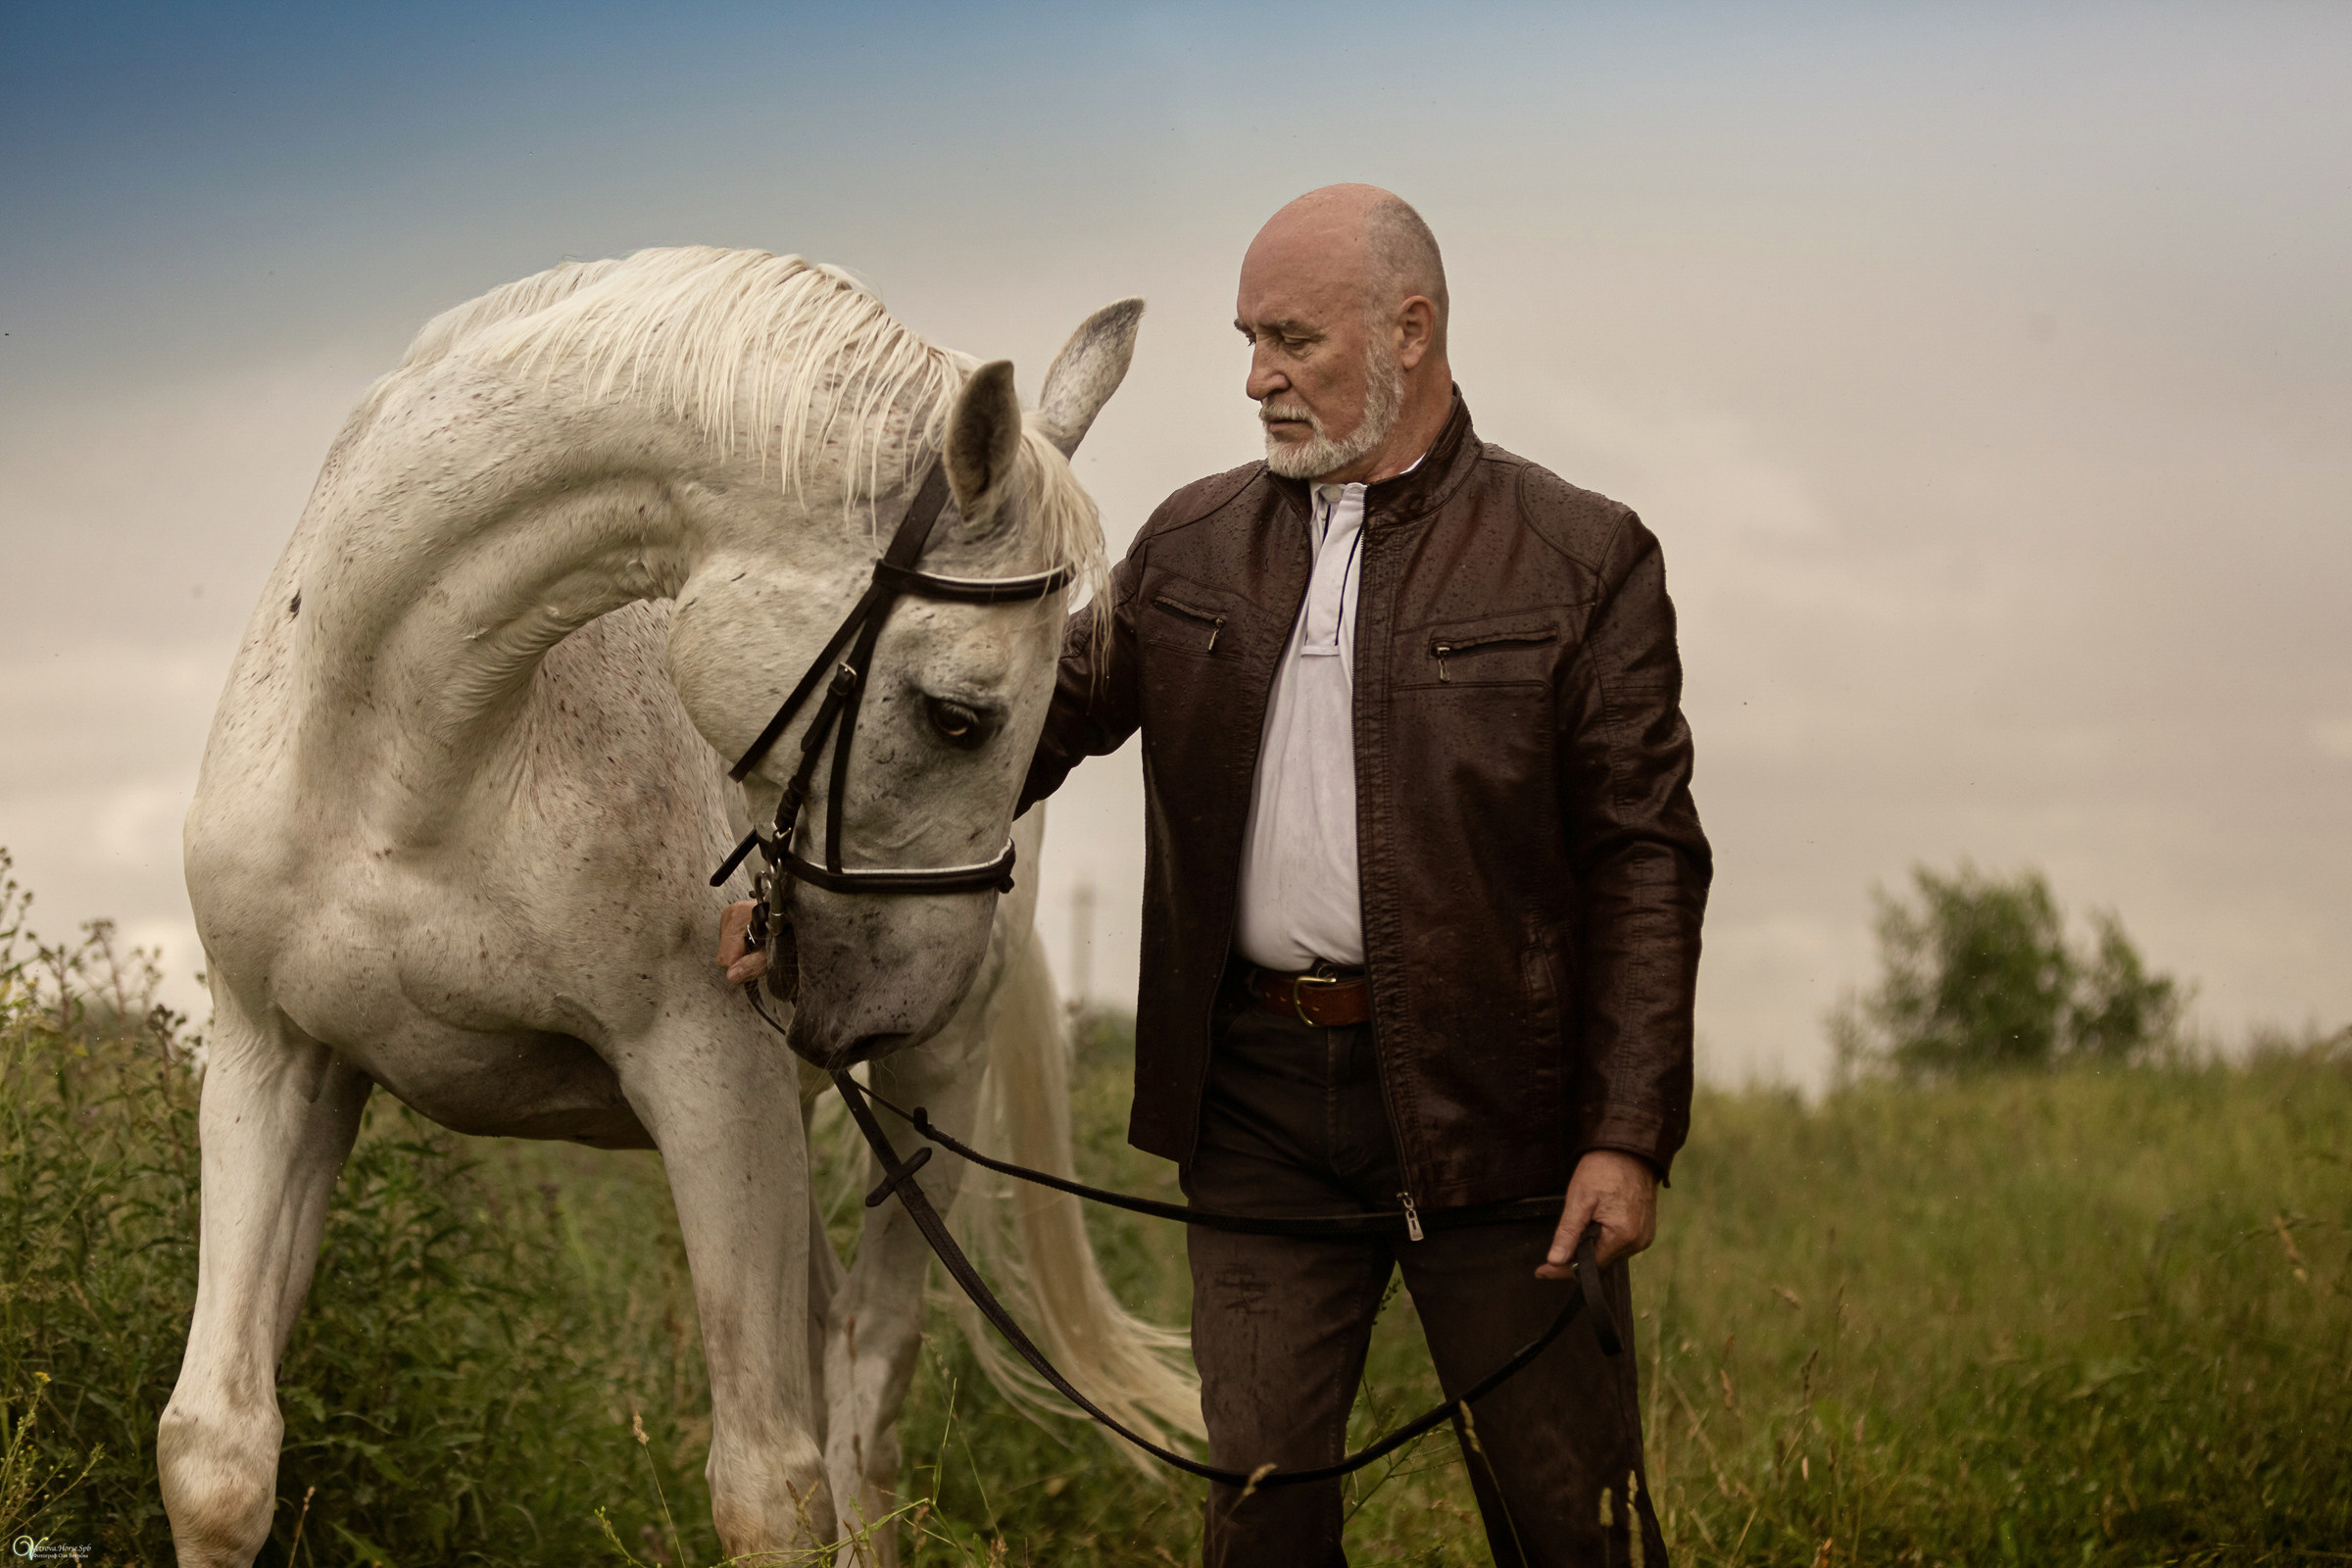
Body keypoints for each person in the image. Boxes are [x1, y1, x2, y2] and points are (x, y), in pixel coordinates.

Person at [724, 183, 1708, 1566]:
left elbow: (1646, 861)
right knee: (1259, 1520)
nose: (1257, 379)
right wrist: (802, 900)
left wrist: (1626, 1133)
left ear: (1411, 330)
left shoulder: (1579, 557)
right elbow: (1007, 735)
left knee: (1572, 1525)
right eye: (1248, 341)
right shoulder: (1189, 548)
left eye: (1294, 340)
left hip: (1504, 1117)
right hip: (1256, 1108)